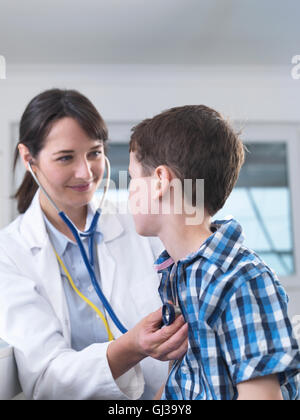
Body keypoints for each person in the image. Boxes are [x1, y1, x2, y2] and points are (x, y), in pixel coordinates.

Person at [0, 89, 188, 400]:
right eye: (65, 157)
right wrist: (132, 347)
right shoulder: (9, 253)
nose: (85, 173)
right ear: (28, 158)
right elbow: (45, 379)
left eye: (94, 153)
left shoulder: (140, 224)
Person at [128, 105, 300, 400]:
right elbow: (183, 378)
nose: (129, 191)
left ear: (159, 181)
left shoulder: (241, 280)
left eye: (132, 178)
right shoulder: (179, 272)